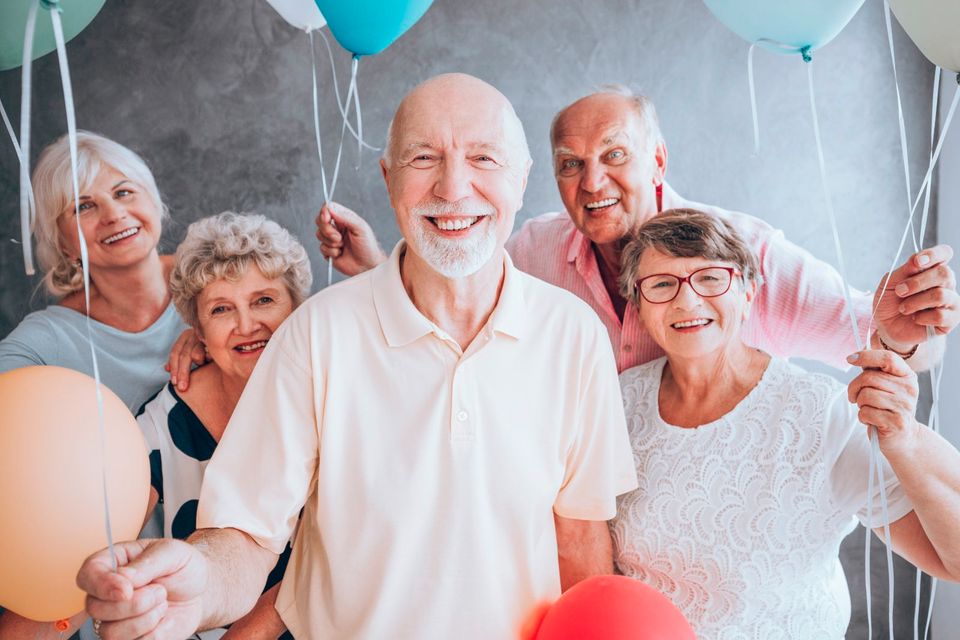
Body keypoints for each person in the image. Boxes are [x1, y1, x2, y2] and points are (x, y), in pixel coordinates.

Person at [75, 73, 637, 640]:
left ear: (521, 180)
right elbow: (245, 538)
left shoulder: (573, 335)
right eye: (424, 158)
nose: (454, 186)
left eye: (484, 158)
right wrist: (196, 586)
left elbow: (580, 544)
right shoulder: (315, 336)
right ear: (389, 178)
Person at [316, 86, 959, 373]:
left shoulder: (744, 251)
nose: (592, 182)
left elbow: (883, 340)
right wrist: (378, 266)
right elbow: (452, 304)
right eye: (572, 165)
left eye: (615, 155)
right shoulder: (533, 250)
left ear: (658, 160)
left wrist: (904, 335)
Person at [608, 209, 960, 638]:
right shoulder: (617, 402)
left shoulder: (818, 414)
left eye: (711, 278)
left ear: (750, 292)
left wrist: (903, 441)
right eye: (662, 284)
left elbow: (953, 560)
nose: (688, 301)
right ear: (639, 307)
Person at [0, 131, 188, 640]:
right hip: (120, 611)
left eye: (125, 192)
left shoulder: (224, 288)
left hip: (243, 578)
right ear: (59, 238)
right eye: (84, 206)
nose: (113, 214)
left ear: (152, 199)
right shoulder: (45, 342)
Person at [135, 211, 311, 639]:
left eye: (264, 300)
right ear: (197, 330)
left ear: (301, 310)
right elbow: (87, 540)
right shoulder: (160, 425)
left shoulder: (331, 398)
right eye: (221, 309)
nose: (247, 325)